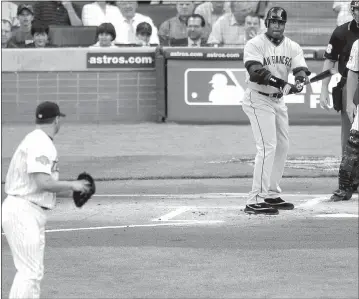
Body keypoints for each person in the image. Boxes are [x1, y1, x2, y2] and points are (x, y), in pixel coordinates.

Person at [2, 101, 90, 299]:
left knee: (29, 272)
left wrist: (76, 190)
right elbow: (43, 182)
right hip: (23, 211)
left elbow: (43, 186)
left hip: (26, 208)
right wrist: (73, 185)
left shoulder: (38, 140)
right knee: (30, 273)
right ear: (57, 120)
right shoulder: (40, 143)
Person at [242, 7, 310, 215]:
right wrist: (282, 83)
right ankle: (255, 199)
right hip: (258, 98)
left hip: (278, 102)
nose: (277, 26)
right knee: (267, 146)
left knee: (282, 146)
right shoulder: (255, 44)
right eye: (274, 22)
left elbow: (300, 69)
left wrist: (299, 81)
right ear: (267, 23)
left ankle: (271, 193)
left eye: (280, 23)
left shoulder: (292, 46)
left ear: (284, 25)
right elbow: (256, 73)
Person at [319, 1, 359, 166]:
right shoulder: (341, 32)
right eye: (357, 9)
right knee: (350, 132)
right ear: (352, 11)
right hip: (350, 86)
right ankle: (348, 175)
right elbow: (330, 61)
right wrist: (323, 89)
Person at [330, 39, 359, 201]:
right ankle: (345, 188)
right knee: (353, 144)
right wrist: (349, 102)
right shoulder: (358, 44)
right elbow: (353, 72)